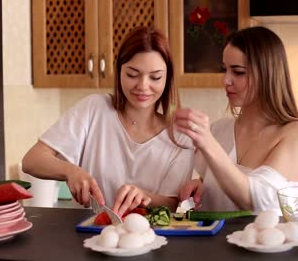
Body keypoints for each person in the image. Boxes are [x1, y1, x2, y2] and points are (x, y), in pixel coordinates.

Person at [22, 26, 194, 216]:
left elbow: (172, 203)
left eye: (155, 77)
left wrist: (144, 197)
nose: (143, 86)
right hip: (86, 235)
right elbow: (31, 160)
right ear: (119, 70)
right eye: (132, 74)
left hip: (149, 238)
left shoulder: (179, 137)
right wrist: (70, 171)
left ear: (167, 78)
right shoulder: (94, 109)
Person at [174, 26, 298, 213]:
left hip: (269, 242)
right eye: (225, 69)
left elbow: (258, 202)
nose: (226, 80)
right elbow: (226, 184)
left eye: (238, 72)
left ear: (267, 74)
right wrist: (202, 185)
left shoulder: (297, 132)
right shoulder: (219, 129)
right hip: (214, 243)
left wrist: (208, 143)